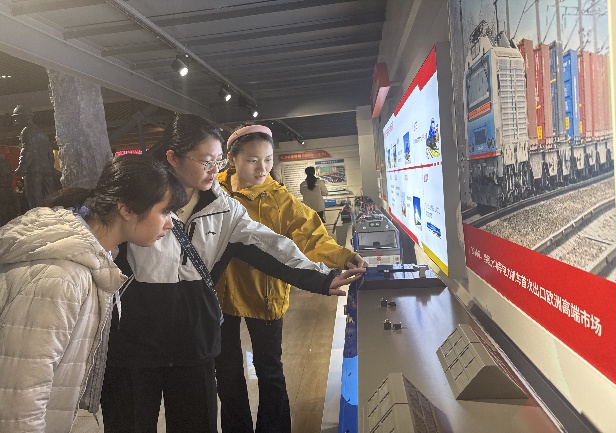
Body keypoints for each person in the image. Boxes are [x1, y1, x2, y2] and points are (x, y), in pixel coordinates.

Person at [100, 114, 364, 433]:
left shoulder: (223, 206)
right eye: (206, 161)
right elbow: (98, 246)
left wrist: (322, 277)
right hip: (134, 341)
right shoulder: (134, 196)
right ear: (173, 157)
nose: (214, 170)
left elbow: (268, 243)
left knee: (197, 423)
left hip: (194, 341)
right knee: (131, 422)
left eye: (217, 161)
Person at [0, 154, 187, 433]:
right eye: (164, 211)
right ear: (127, 210)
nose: (171, 223)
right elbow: (19, 399)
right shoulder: (62, 278)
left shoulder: (94, 258)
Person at [215, 124, 367, 433]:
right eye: (252, 160)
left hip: (265, 292)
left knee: (269, 369)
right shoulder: (213, 192)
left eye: (268, 159)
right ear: (232, 159)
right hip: (219, 294)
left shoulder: (279, 198)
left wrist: (341, 256)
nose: (262, 168)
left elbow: (310, 236)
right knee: (227, 373)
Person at [12, 104, 59, 208]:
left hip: (33, 173)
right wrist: (50, 168)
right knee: (49, 201)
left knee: (35, 203)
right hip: (47, 172)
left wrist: (20, 169)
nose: (16, 121)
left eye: (16, 118)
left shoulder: (26, 131)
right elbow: (50, 153)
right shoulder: (41, 132)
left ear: (22, 117)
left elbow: (27, 152)